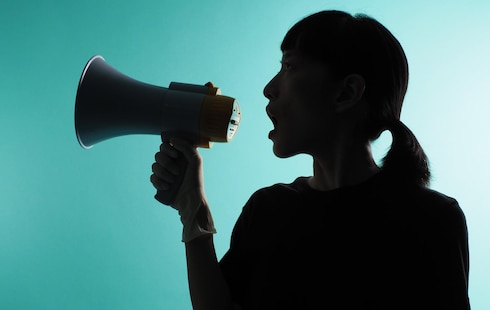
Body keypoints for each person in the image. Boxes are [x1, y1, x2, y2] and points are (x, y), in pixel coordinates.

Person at [150, 10, 470, 310]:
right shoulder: (266, 210)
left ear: (346, 93)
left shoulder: (433, 219)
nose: (268, 88)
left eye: (289, 66)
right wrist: (192, 210)